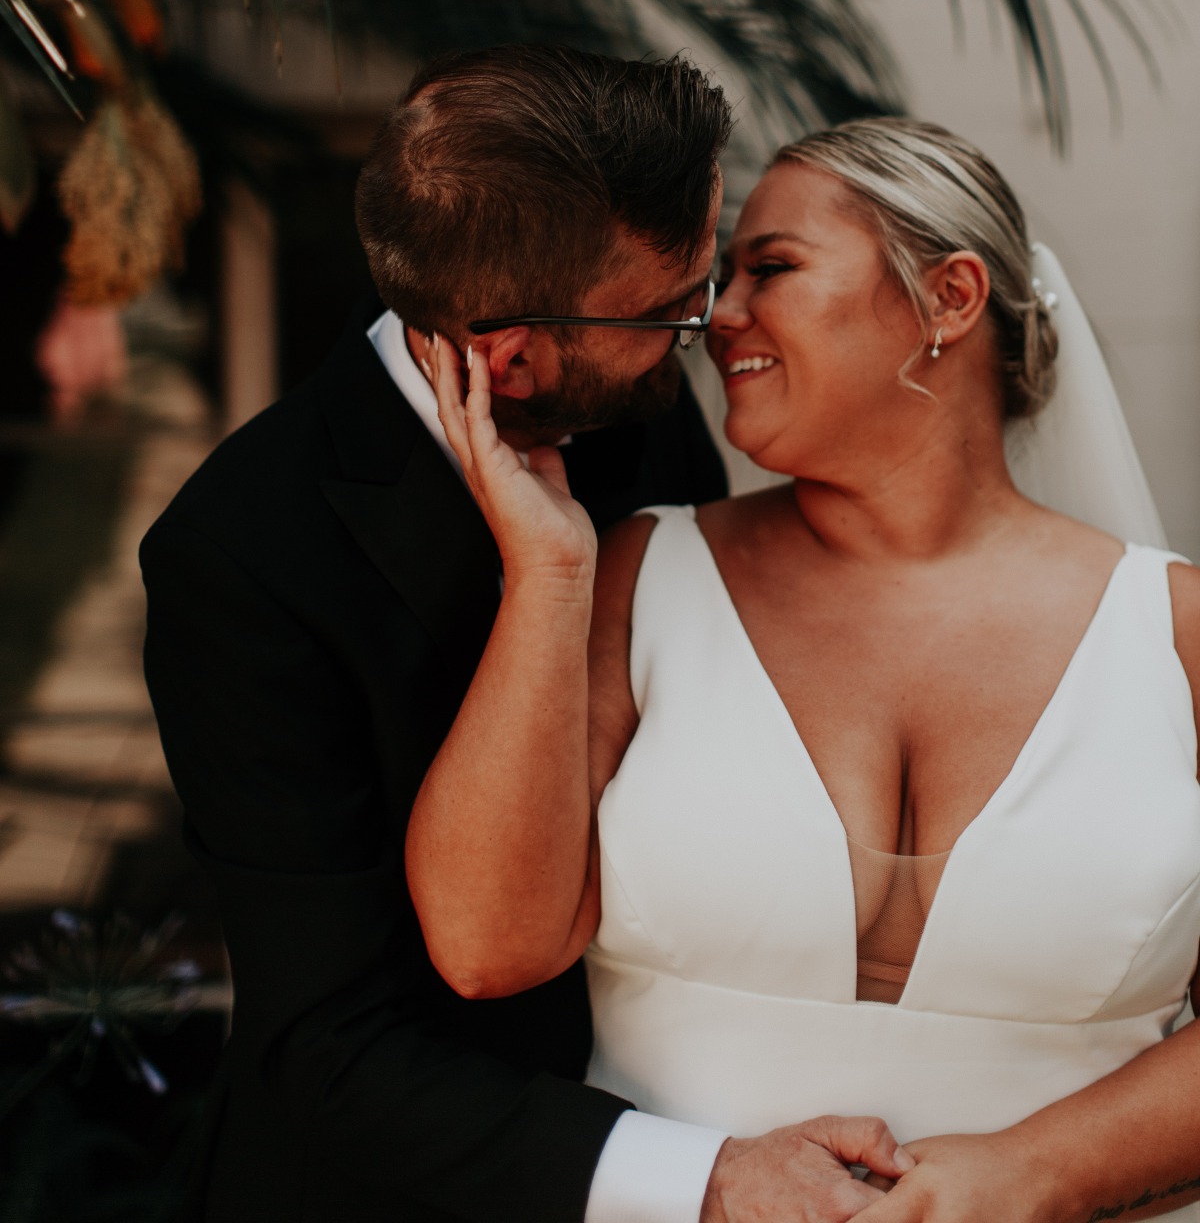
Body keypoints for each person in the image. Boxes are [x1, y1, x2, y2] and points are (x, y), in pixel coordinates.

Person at [141, 48, 910, 1223]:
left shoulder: (626, 403)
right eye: (672, 307)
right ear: (512, 357)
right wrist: (701, 1177)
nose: (708, 326)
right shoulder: (244, 555)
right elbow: (332, 1050)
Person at [407, 117, 1200, 1223]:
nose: (715, 316)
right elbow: (488, 946)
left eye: (769, 268)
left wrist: (1037, 1168)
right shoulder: (640, 576)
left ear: (951, 299)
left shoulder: (1176, 632)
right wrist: (546, 574)